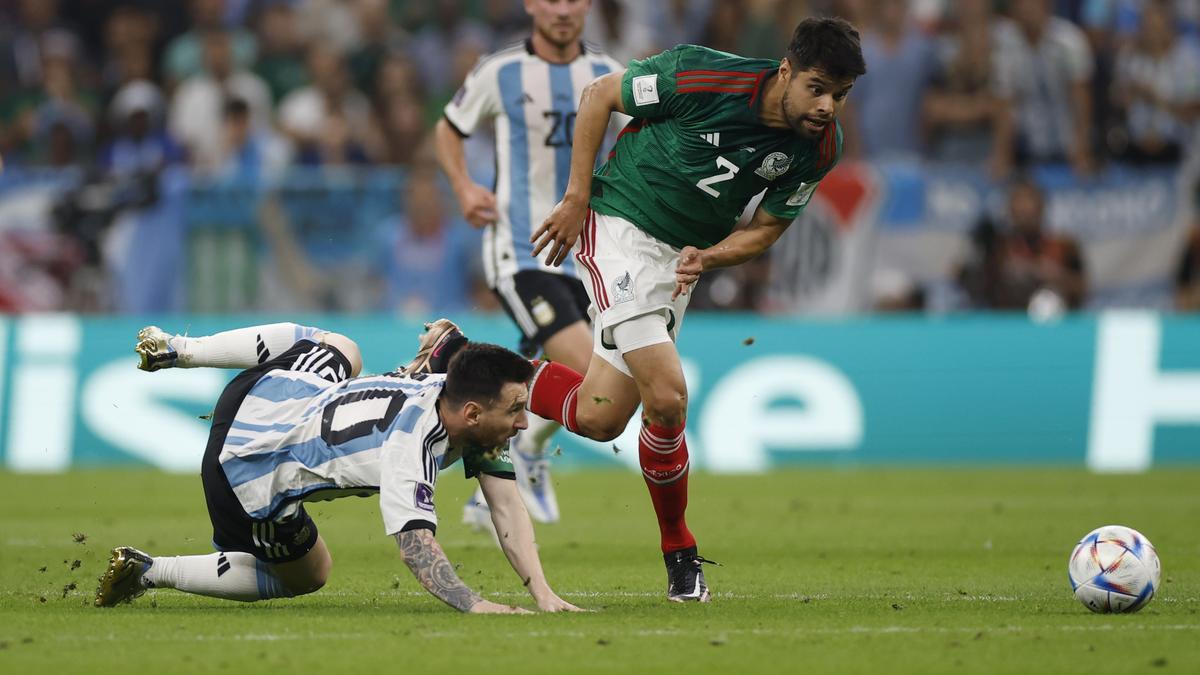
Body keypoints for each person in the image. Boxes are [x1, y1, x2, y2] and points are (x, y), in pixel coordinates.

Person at [530, 16, 866, 601]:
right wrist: (576, 197)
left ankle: (480, 367)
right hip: (620, 225)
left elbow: (765, 230)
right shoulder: (702, 75)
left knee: (601, 415)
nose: (827, 107)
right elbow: (599, 96)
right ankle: (680, 553)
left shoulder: (819, 146)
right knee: (668, 393)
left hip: (677, 260)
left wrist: (709, 259)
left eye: (840, 95)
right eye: (817, 88)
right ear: (785, 71)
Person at [94, 322, 582, 614]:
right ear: (473, 413)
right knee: (310, 574)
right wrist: (475, 605)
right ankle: (151, 570)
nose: (523, 424)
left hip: (262, 392)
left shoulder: (455, 397)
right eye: (516, 409)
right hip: (244, 471)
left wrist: (542, 591)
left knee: (342, 347)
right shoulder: (411, 448)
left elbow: (506, 504)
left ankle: (181, 349)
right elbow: (416, 548)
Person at [434, 0, 622, 528]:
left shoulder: (608, 74)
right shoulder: (501, 71)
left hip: (589, 253)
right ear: (531, 6)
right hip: (522, 251)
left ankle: (506, 461)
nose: (562, 10)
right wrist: (464, 187)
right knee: (592, 375)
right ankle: (526, 456)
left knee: (532, 377)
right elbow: (448, 128)